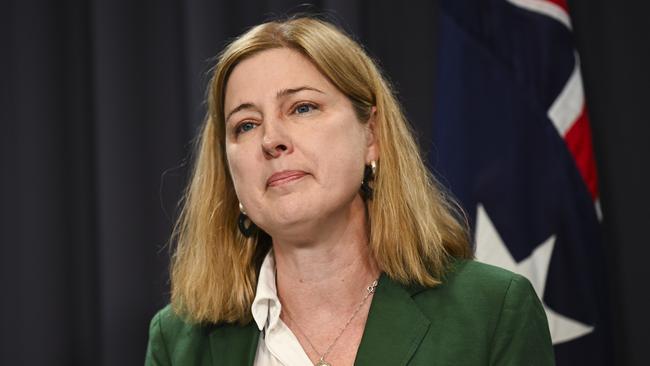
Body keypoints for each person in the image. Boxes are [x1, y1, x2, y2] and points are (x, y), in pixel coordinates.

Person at [145, 16, 554, 366]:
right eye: (245, 125)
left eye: (302, 108)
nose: (271, 139)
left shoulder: (493, 310)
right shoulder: (178, 341)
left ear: (371, 135)